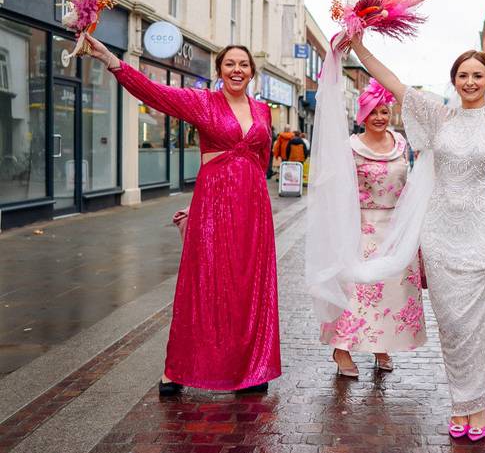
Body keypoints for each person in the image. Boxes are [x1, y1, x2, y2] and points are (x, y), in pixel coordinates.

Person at [83, 34, 280, 396]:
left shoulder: (263, 111)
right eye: (230, 64)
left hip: (254, 209)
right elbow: (151, 92)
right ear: (220, 70)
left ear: (252, 72)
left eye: (244, 64)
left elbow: (260, 161)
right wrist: (110, 58)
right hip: (215, 206)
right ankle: (178, 370)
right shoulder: (202, 102)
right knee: (203, 282)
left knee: (248, 285)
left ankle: (250, 368)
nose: (237, 70)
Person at [350, 36, 485, 442]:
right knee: (451, 324)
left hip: (482, 232)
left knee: (478, 323)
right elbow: (391, 81)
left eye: (477, 75)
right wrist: (358, 43)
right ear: (454, 81)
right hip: (441, 233)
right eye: (463, 75)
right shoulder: (437, 116)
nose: (470, 82)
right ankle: (459, 403)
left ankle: (477, 406)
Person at [320, 82, 426, 375]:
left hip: (396, 227)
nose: (379, 117)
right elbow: (336, 188)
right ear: (362, 115)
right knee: (357, 292)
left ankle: (382, 346)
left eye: (384, 111)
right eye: (373, 112)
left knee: (392, 291)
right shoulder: (350, 148)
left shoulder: (402, 145)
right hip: (361, 226)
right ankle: (341, 350)